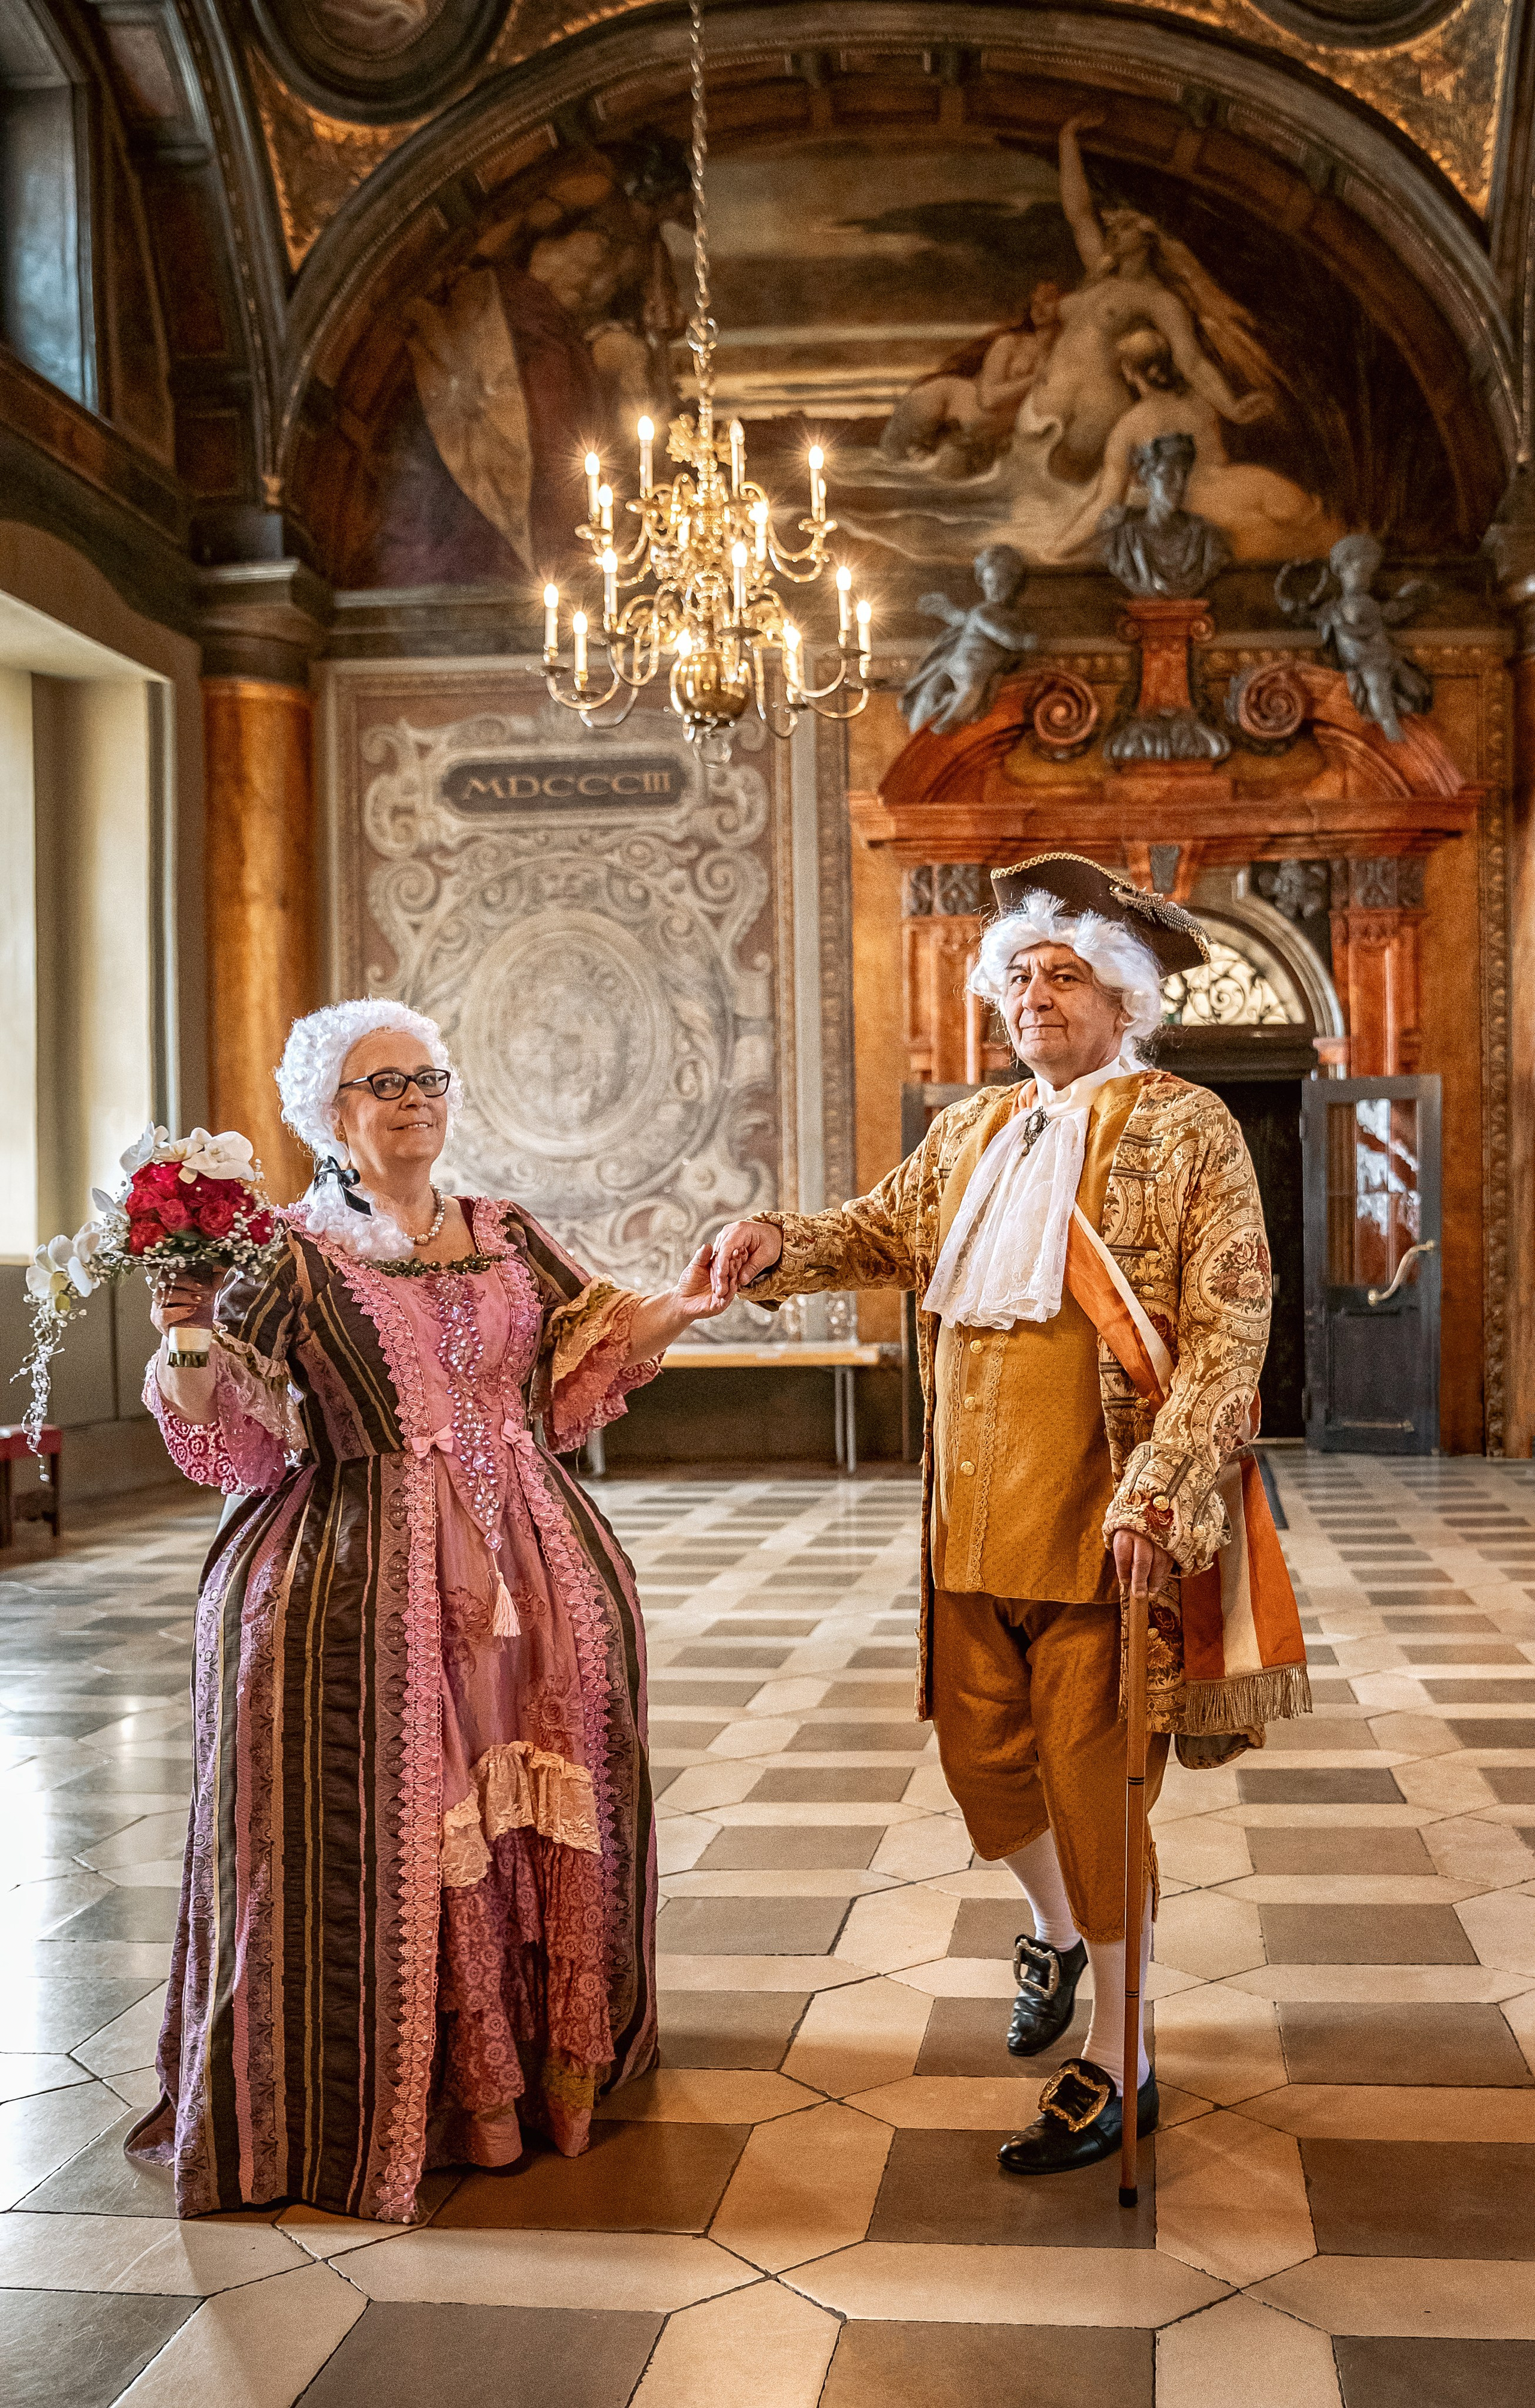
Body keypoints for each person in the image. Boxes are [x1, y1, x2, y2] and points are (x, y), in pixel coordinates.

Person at [711, 856, 1281, 2176]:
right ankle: (1059, 1933)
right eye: (1016, 975)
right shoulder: (970, 1130)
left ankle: (1120, 2059)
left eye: (1063, 974)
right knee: (982, 1773)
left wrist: (1159, 1485)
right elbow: (873, 1231)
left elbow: (1224, 1328)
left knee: (1094, 1793)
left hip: (1101, 1527)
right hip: (965, 1531)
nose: (1032, 994)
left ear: (1123, 998)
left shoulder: (1187, 1125)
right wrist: (770, 1246)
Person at [128, 998, 736, 2223]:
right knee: (401, 1816)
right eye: (382, 1081)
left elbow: (593, 1337)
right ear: (329, 1112)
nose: (413, 1098)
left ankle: (537, 2071)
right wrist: (185, 1334)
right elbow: (226, 1435)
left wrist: (691, 1293)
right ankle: (412, 2090)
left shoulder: (505, 1233)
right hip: (358, 1579)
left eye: (428, 1077)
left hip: (535, 1569)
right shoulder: (286, 1253)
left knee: (535, 1803)